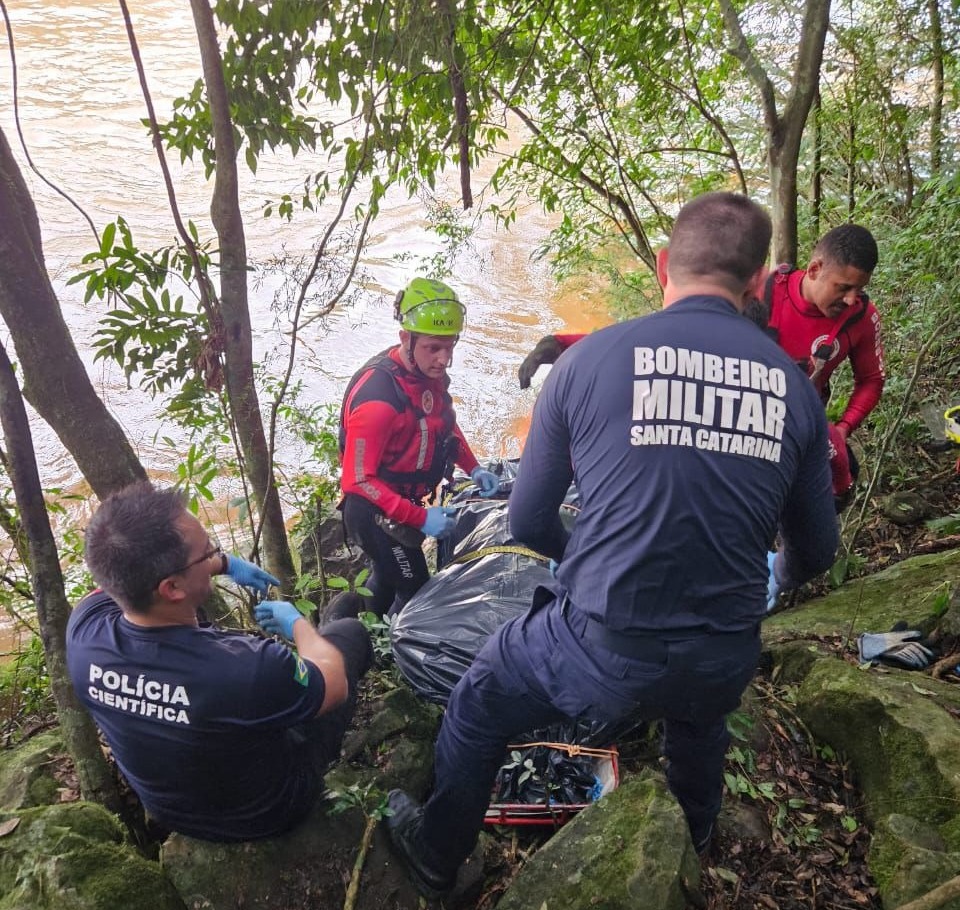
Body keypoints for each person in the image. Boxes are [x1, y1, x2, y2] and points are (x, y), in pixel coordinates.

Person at [385, 191, 838, 898]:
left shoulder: (588, 361)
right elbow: (817, 551)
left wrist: (596, 563)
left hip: (600, 645)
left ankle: (438, 852)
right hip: (721, 650)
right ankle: (690, 839)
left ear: (664, 265)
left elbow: (530, 519)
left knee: (481, 697)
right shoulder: (794, 389)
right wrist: (775, 574)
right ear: (757, 285)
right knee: (699, 721)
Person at [66, 481, 373, 842]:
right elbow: (333, 685)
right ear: (172, 588)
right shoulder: (246, 668)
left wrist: (222, 564)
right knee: (348, 629)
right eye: (207, 552)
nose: (214, 555)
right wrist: (299, 625)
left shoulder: (84, 631)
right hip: (268, 809)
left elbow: (113, 583)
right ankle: (333, 628)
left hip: (172, 810)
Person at [518, 224, 885, 511]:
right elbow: (663, 339)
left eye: (859, 290)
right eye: (843, 287)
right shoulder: (761, 292)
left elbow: (870, 379)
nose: (851, 298)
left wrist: (843, 427)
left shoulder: (859, 318)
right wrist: (563, 344)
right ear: (817, 268)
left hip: (795, 425)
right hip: (726, 418)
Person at [338, 277, 499, 617]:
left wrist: (473, 467)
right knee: (417, 591)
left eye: (450, 347)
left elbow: (443, 425)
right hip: (373, 513)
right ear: (405, 339)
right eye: (433, 348)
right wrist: (422, 518)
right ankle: (395, 646)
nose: (443, 359)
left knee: (386, 573)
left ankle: (365, 623)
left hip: (401, 505)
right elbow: (357, 481)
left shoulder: (426, 376)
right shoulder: (379, 401)